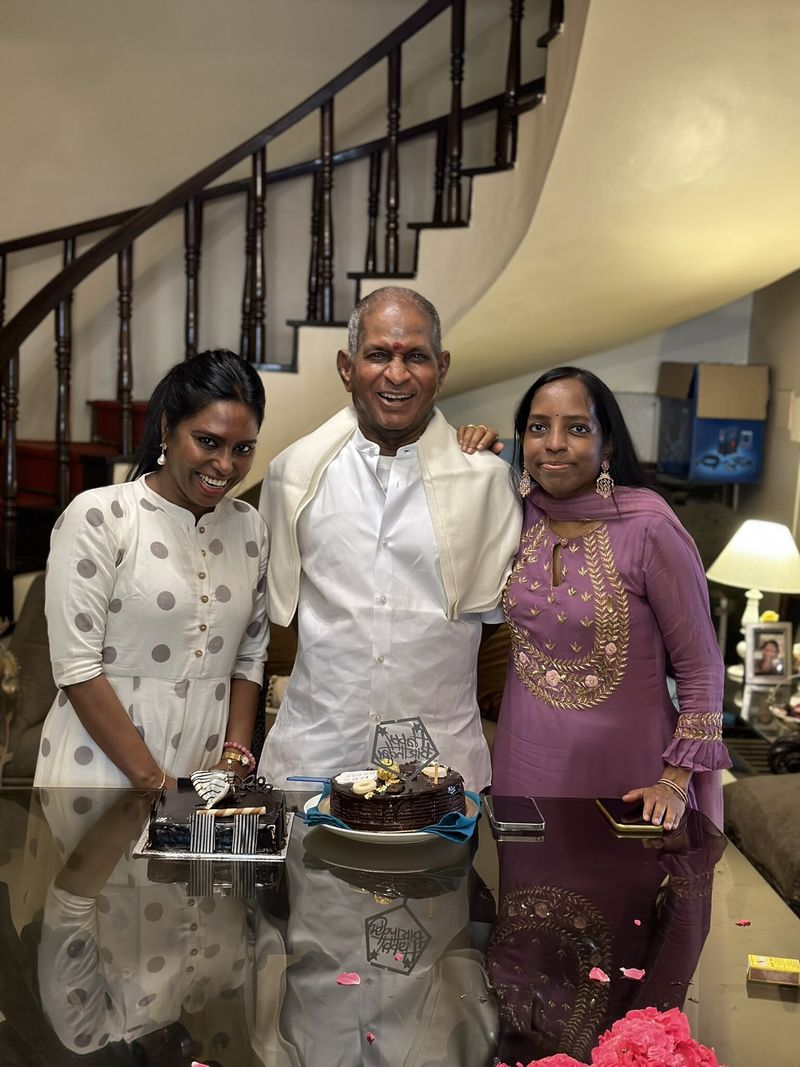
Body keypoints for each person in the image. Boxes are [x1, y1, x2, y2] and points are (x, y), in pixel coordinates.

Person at [258, 287, 521, 792]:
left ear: (442, 368)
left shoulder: (488, 482)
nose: (397, 375)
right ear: (346, 367)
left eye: (415, 357)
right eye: (378, 354)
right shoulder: (292, 475)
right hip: (314, 753)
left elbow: (502, 623)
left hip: (439, 762)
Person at [491, 366, 730, 830]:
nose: (553, 443)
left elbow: (701, 665)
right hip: (523, 766)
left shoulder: (649, 528)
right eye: (538, 427)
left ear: (608, 447)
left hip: (631, 779)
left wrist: (675, 779)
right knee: (524, 876)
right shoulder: (516, 516)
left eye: (577, 428)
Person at [35, 349, 269, 790]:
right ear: (166, 428)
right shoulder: (101, 517)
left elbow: (249, 657)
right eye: (207, 441)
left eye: (242, 449)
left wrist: (233, 762)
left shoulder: (249, 527)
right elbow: (77, 668)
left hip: (203, 781)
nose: (225, 465)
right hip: (98, 775)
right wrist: (155, 782)